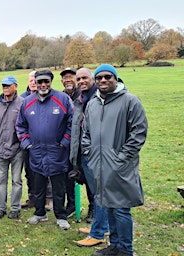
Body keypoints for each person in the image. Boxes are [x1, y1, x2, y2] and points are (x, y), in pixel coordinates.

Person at [82, 64, 147, 256]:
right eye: (99, 77)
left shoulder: (130, 101)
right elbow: (86, 132)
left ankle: (125, 249)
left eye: (108, 77)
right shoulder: (92, 103)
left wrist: (122, 157)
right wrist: (90, 153)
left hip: (120, 166)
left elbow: (139, 132)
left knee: (121, 209)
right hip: (99, 166)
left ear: (115, 79)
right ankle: (114, 245)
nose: (103, 80)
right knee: (108, 206)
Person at [16, 69, 74, 230]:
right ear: (35, 82)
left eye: (46, 81)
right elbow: (20, 125)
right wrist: (26, 143)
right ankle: (40, 213)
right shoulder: (27, 102)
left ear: (50, 81)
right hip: (36, 152)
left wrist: (64, 142)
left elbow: (72, 122)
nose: (43, 85)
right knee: (38, 185)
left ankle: (61, 216)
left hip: (57, 151)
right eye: (40, 82)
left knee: (58, 186)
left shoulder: (63, 99)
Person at [71, 68, 109, 247]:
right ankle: (102, 225)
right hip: (85, 152)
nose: (81, 81)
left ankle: (98, 233)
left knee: (100, 193)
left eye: (85, 78)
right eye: (79, 79)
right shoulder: (81, 99)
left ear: (92, 78)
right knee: (97, 192)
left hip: (97, 154)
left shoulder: (98, 98)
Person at [0, 75, 24, 219]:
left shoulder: (22, 103)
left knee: (17, 180)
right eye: (3, 85)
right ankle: (0, 208)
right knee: (0, 181)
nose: (5, 88)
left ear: (15, 86)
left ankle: (15, 208)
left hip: (17, 150)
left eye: (8, 85)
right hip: (0, 149)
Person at [20, 71, 53, 211]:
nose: (33, 82)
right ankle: (33, 197)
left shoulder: (48, 97)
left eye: (35, 80)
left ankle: (49, 199)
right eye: (31, 80)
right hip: (28, 144)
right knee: (30, 171)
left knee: (47, 171)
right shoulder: (23, 99)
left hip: (46, 143)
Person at [60, 67, 79, 218]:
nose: (68, 80)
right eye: (65, 78)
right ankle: (71, 205)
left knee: (86, 176)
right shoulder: (61, 97)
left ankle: (92, 208)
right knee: (68, 177)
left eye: (71, 77)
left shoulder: (83, 96)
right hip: (66, 144)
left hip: (81, 143)